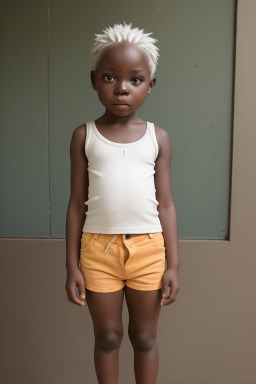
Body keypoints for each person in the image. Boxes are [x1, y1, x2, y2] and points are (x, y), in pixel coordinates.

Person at [65, 23, 179, 384]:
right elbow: (75, 203)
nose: (122, 88)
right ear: (94, 80)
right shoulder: (84, 136)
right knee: (109, 336)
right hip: (98, 250)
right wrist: (71, 265)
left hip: (149, 249)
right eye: (111, 78)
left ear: (150, 85)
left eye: (135, 80)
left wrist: (173, 264)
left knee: (144, 337)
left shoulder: (157, 138)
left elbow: (167, 205)